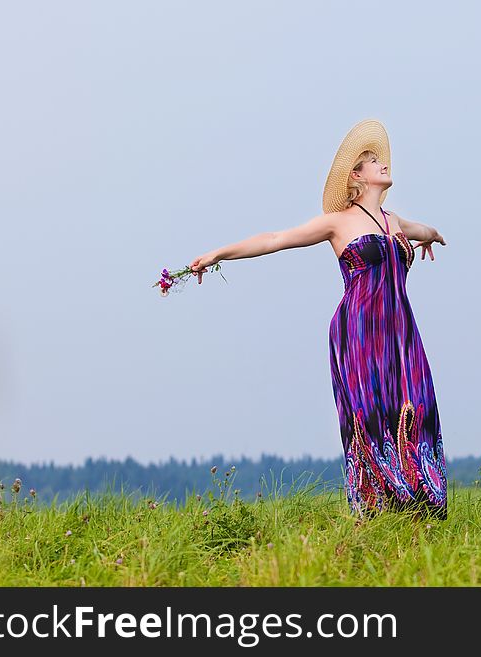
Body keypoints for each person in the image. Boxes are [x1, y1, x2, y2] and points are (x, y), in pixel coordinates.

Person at [189, 119, 449, 520]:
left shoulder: (394, 221)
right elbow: (275, 240)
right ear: (356, 177)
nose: (383, 164)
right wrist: (218, 254)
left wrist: (431, 237)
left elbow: (425, 228)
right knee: (373, 411)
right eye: (372, 161)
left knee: (418, 405)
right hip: (360, 329)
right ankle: (378, 509)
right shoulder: (338, 222)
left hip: (400, 332)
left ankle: (418, 501)